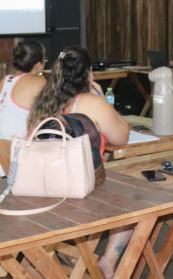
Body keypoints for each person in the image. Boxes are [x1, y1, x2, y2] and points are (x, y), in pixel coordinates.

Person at [27, 46, 129, 278]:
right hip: (79, 191)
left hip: (42, 187)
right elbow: (121, 137)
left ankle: (68, 251)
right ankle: (108, 262)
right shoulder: (92, 103)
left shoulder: (43, 102)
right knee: (134, 205)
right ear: (89, 74)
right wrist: (104, 101)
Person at [0, 40, 47, 179]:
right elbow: (49, 117)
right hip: (8, 166)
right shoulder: (39, 82)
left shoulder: (5, 80)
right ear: (38, 64)